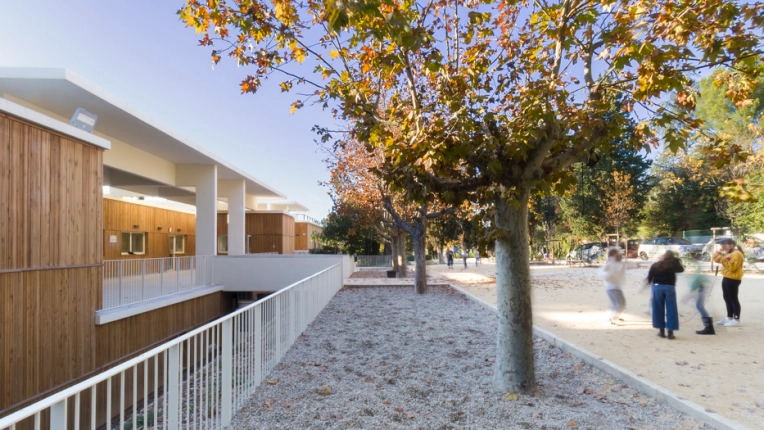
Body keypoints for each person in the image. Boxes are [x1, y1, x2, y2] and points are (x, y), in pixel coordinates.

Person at [647, 251, 684, 339]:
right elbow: (681, 269)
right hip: (669, 287)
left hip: (657, 287)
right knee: (671, 309)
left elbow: (649, 278)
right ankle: (670, 332)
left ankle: (661, 331)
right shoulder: (673, 265)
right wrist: (676, 260)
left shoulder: (655, 265)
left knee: (658, 309)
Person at [714, 238, 745, 327]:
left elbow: (732, 267)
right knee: (726, 297)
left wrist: (725, 258)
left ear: (732, 245)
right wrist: (719, 253)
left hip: (733, 278)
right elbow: (717, 259)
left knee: (733, 298)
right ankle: (729, 317)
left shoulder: (737, 254)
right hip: (726, 277)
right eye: (722, 247)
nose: (724, 248)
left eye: (725, 246)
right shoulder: (728, 253)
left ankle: (736, 319)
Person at [599, 248, 627, 325]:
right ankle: (608, 319)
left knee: (623, 303)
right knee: (617, 304)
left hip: (617, 286)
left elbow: (621, 270)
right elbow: (601, 272)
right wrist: (607, 276)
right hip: (611, 287)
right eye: (616, 254)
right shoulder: (609, 262)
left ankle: (614, 316)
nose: (617, 255)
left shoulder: (618, 263)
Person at [688, 271, 715, 335]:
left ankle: (709, 327)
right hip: (701, 286)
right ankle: (709, 327)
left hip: (701, 287)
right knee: (699, 306)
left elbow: (698, 278)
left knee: (699, 306)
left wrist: (693, 287)